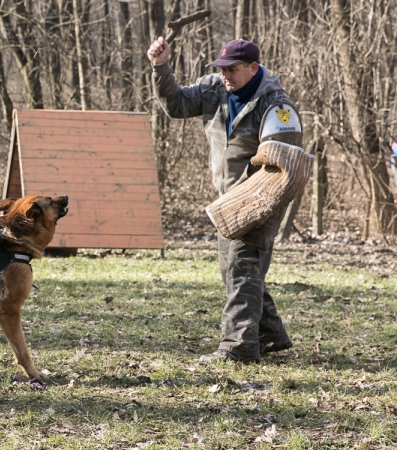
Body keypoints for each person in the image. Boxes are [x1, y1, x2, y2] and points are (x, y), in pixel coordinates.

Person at [148, 38, 301, 363]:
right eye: (222, 69)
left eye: (233, 69)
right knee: (235, 270)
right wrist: (161, 67)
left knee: (242, 268)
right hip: (228, 201)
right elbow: (176, 105)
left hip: (263, 199)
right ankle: (270, 336)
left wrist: (255, 203)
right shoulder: (213, 89)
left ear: (253, 68)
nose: (226, 76)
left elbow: (283, 165)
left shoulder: (277, 106)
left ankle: (238, 348)